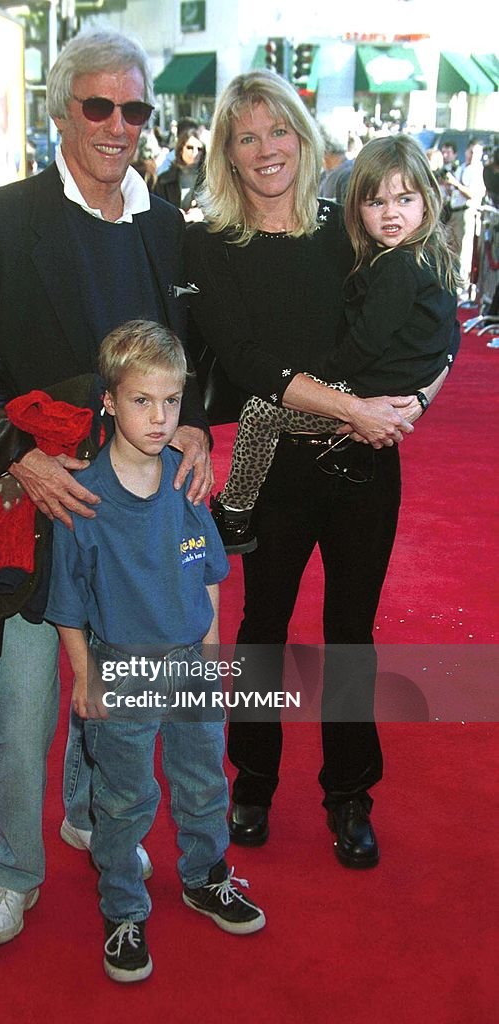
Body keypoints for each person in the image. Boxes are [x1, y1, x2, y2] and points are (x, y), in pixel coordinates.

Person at [0, 29, 212, 946]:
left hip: (135, 514)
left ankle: (87, 815)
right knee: (25, 696)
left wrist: (190, 419)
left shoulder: (164, 227)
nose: (118, 127)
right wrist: (16, 456)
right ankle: (13, 869)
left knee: (112, 683)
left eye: (135, 110)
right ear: (59, 112)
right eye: (98, 107)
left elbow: (183, 364)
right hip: (32, 509)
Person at [185, 71, 451, 866]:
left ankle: (348, 793)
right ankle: (252, 783)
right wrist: (353, 407)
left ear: (302, 137)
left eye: (279, 131)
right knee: (261, 629)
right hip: (278, 468)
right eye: (247, 136)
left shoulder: (353, 227)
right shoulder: (209, 244)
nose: (267, 149)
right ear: (227, 156)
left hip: (366, 463)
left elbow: (429, 320)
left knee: (350, 636)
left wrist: (414, 406)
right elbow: (246, 359)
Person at [45, 319, 265, 982]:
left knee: (203, 781)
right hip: (121, 667)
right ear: (108, 401)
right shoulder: (85, 497)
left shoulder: (186, 481)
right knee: (125, 796)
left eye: (171, 401)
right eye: (142, 400)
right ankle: (122, 909)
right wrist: (85, 677)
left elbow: (208, 575)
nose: (160, 416)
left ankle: (205, 875)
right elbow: (68, 601)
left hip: (190, 663)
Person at [211, 134, 459, 554]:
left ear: (427, 200)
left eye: (404, 199)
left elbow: (365, 343)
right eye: (376, 202)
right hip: (389, 392)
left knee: (259, 411)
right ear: (356, 208)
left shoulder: (397, 266)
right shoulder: (428, 254)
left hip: (369, 390)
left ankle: (234, 510)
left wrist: (320, 373)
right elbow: (448, 330)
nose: (391, 213)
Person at [443, 138, 485, 290]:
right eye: (471, 152)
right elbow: (454, 192)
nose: (472, 155)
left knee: (463, 252)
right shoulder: (461, 168)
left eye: (476, 153)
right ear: (466, 151)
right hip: (453, 212)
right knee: (450, 248)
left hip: (466, 213)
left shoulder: (478, 171)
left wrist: (455, 184)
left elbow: (472, 194)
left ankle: (461, 287)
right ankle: (450, 282)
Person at [153, 128, 206, 222]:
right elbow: (155, 211)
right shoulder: (165, 179)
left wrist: (202, 214)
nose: (195, 152)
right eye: (190, 148)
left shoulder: (210, 180)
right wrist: (174, 214)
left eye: (199, 149)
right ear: (181, 149)